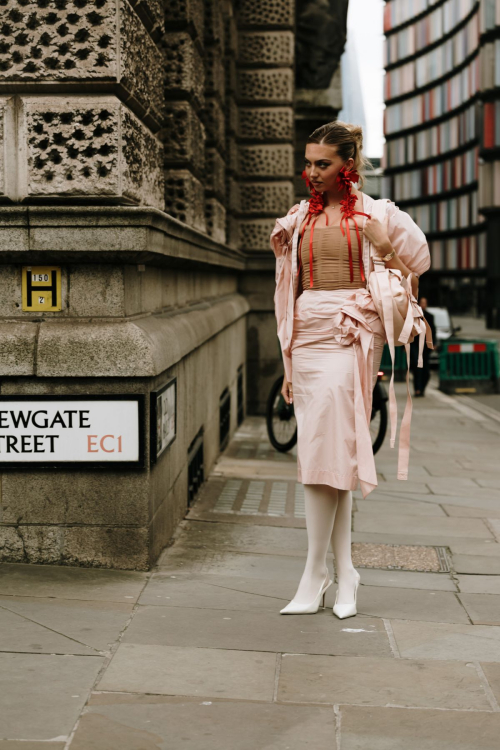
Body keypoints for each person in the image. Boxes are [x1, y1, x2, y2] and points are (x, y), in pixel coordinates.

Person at [270, 121, 431, 619]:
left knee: (322, 452)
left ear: (349, 165)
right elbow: (286, 294)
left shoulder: (378, 213)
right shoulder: (299, 218)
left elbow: (419, 263)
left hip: (350, 338)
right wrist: (288, 362)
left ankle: (315, 571)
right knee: (330, 453)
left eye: (324, 164)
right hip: (308, 340)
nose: (312, 173)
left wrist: (382, 243)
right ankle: (343, 573)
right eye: (309, 163)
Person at [410, 297, 436, 397]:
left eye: (424, 303)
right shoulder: (413, 316)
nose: (423, 305)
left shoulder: (430, 316)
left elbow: (433, 331)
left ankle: (422, 388)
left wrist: (433, 344)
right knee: (417, 368)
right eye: (421, 303)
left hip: (425, 346)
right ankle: (417, 389)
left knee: (426, 371)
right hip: (415, 345)